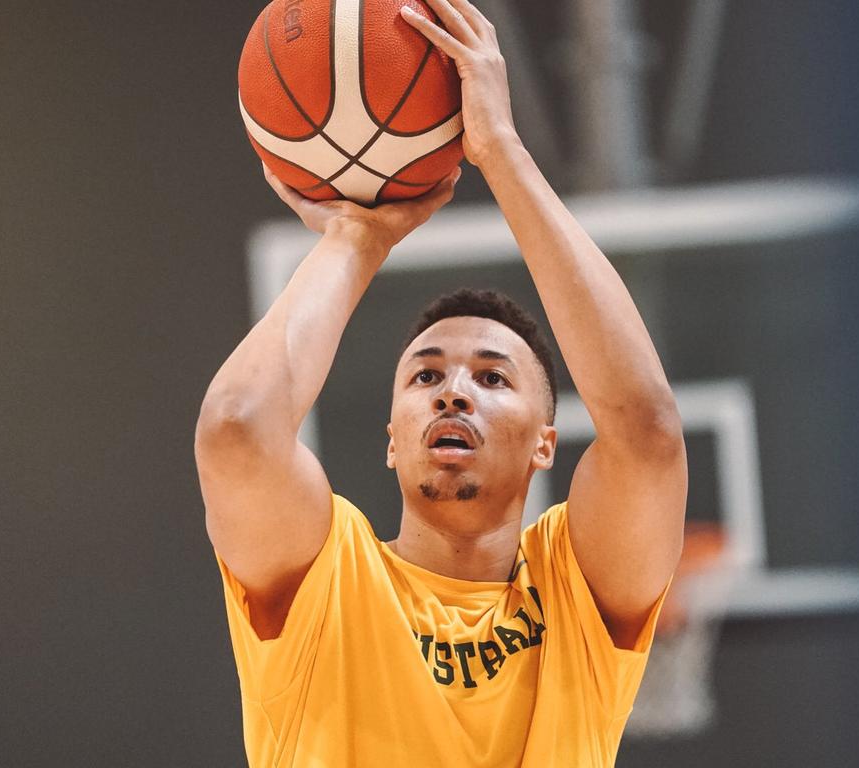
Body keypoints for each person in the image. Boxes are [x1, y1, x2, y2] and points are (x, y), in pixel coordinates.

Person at [194, 1, 687, 765]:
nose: (453, 390)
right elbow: (236, 431)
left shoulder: (574, 593)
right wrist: (358, 237)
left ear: (545, 444)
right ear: (391, 439)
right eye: (426, 375)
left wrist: (502, 154)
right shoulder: (329, 580)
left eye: (493, 378)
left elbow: (648, 434)